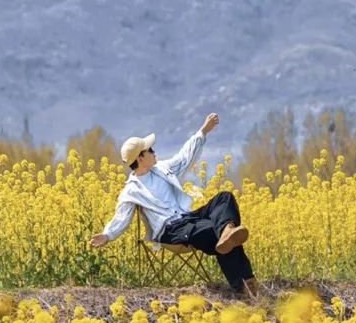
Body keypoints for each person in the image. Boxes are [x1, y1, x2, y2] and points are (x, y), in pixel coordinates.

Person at [90, 113, 259, 298]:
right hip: (171, 230)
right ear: (140, 158)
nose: (154, 152)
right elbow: (121, 217)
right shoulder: (132, 191)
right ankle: (244, 282)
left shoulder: (162, 169)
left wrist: (203, 131)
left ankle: (227, 231)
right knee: (213, 231)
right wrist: (107, 234)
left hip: (187, 218)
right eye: (150, 150)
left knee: (224, 198)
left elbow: (185, 157)